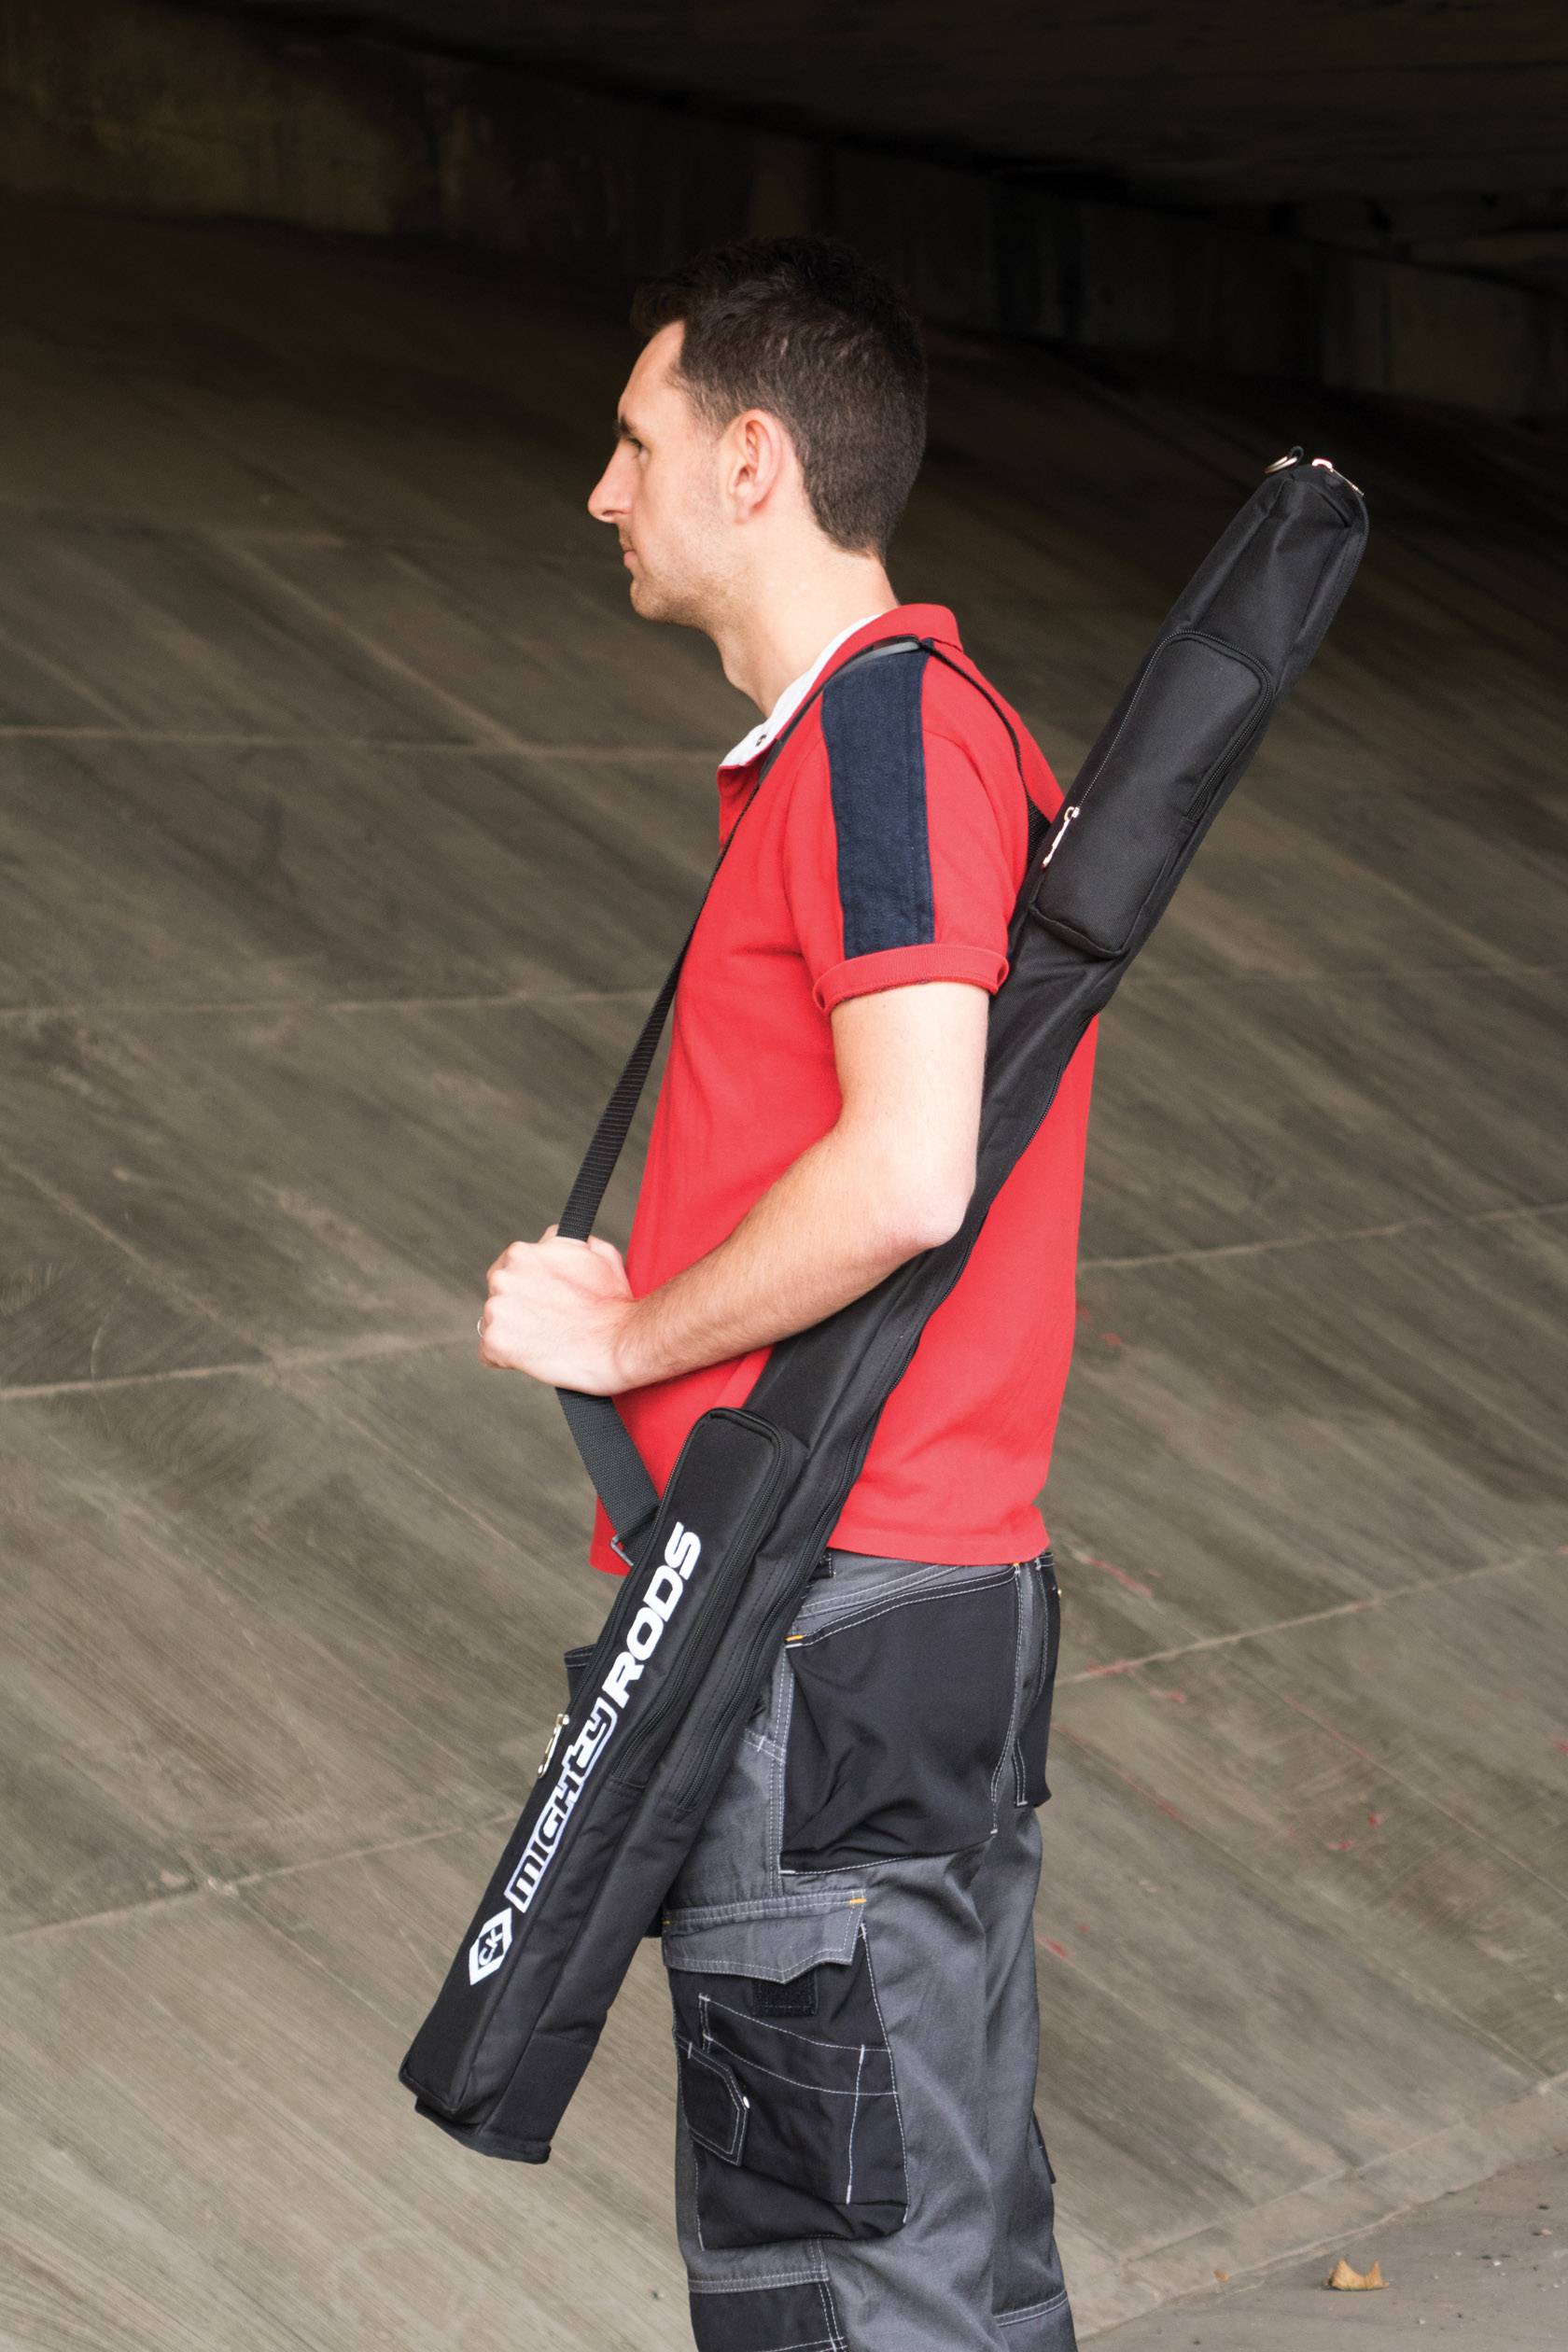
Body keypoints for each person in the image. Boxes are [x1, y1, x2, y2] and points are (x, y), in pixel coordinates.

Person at [476, 235, 1093, 2352]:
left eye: (633, 444)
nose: (603, 491)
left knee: (841, 2272)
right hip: (884, 1607)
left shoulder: (888, 741)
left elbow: (908, 1168)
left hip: (829, 1617)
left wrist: (621, 1336)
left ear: (752, 460)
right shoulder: (896, 739)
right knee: (938, 2247)